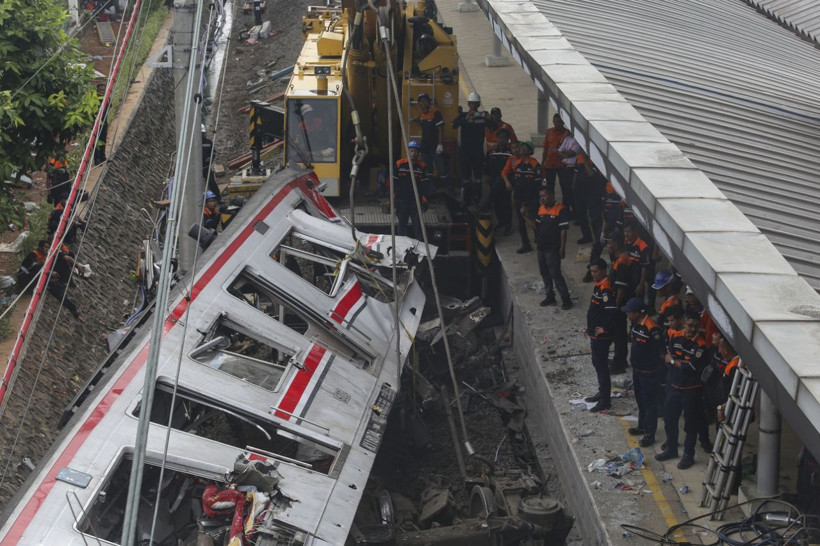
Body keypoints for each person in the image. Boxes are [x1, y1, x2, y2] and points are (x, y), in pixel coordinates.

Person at [656, 310, 708, 469]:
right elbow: (669, 356)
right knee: (670, 419)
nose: (693, 329)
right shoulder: (675, 337)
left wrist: (673, 361)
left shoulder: (701, 345)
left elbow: (691, 368)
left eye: (696, 326)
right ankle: (671, 448)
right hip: (674, 386)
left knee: (691, 424)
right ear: (683, 324)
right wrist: (676, 361)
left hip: (691, 390)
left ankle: (688, 454)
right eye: (690, 325)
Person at [521, 187, 572, 310]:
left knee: (556, 274)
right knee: (544, 273)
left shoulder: (561, 209)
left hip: (552, 248)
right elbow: (536, 226)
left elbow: (563, 230)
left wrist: (562, 247)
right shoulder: (541, 209)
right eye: (541, 196)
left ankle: (566, 300)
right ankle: (550, 297)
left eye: (544, 195)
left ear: (551, 195)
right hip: (541, 247)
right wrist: (524, 216)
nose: (542, 198)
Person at [622, 297, 664, 447]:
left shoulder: (651, 327)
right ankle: (642, 425)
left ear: (637, 312)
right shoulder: (635, 325)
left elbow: (661, 351)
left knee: (650, 403)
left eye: (629, 312)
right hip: (638, 370)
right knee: (640, 400)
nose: (627, 315)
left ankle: (649, 433)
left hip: (649, 372)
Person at [18, 240, 85, 321]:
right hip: (27, 280)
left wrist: (77, 265)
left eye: (48, 247)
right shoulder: (33, 255)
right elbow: (35, 269)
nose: (47, 249)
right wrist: (50, 273)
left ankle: (73, 307)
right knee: (54, 289)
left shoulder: (47, 255)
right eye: (45, 247)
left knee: (62, 263)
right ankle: (72, 307)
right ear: (40, 247)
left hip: (39, 278)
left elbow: (65, 257)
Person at [584, 258, 616, 413]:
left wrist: (604, 328)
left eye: (596, 271)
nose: (593, 274)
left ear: (603, 271)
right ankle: (602, 392)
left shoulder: (606, 288)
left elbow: (610, 310)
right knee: (597, 364)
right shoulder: (599, 286)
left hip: (601, 337)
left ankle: (605, 400)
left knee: (601, 366)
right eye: (591, 271)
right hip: (594, 333)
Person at [502, 140, 542, 254]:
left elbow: (536, 185)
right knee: (521, 222)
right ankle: (525, 243)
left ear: (530, 151)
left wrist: (526, 202)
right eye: (521, 147)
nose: (522, 149)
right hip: (518, 197)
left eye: (525, 148)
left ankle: (540, 240)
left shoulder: (535, 165)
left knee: (534, 220)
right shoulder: (518, 165)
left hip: (531, 198)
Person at [607, 229, 637, 374]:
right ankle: (620, 359)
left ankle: (619, 362)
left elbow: (621, 287)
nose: (608, 245)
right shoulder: (618, 258)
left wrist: (616, 305)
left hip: (620, 303)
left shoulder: (623, 261)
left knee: (619, 333)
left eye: (610, 242)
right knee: (617, 332)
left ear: (616, 244)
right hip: (619, 302)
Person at [452, 92, 488, 205]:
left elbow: (493, 126)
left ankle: (477, 197)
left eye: (476, 104)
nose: (474, 106)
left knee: (478, 177)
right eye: (472, 104)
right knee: (466, 177)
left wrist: (489, 117)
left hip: (477, 151)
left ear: (478, 104)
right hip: (465, 152)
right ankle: (466, 198)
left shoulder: (482, 116)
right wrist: (465, 119)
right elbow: (453, 125)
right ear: (468, 104)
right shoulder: (463, 116)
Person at [393, 140, 428, 239]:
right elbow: (393, 183)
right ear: (408, 152)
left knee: (418, 227)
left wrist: (424, 199)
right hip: (402, 201)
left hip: (416, 202)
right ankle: (403, 249)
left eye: (415, 151)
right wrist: (392, 198)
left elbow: (425, 185)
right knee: (401, 226)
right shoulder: (399, 164)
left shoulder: (422, 166)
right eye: (411, 151)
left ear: (418, 153)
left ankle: (420, 250)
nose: (413, 154)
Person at [411, 93, 447, 184]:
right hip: (425, 148)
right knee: (428, 171)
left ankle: (447, 189)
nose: (423, 103)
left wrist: (440, 144)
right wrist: (411, 120)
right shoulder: (422, 116)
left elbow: (440, 129)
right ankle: (431, 190)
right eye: (421, 102)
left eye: (425, 101)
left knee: (442, 170)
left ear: (429, 102)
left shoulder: (436, 114)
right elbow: (419, 119)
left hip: (435, 147)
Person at [485, 128, 513, 235]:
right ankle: (501, 222)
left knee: (506, 203)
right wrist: (486, 176)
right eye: (500, 138)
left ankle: (508, 225)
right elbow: (486, 164)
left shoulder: (510, 152)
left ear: (508, 139)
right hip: (493, 179)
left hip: (506, 181)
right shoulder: (492, 151)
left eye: (504, 138)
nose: (502, 140)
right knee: (497, 203)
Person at [573, 153, 605, 245]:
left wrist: (584, 160)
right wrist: (573, 186)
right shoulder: (578, 158)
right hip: (579, 191)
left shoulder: (595, 159)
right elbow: (576, 172)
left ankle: (598, 238)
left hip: (592, 192)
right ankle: (586, 236)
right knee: (581, 216)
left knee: (594, 216)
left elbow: (591, 174)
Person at [541, 114, 570, 193]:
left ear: (563, 122)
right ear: (553, 121)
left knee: (565, 186)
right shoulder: (549, 131)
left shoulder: (567, 133)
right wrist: (543, 162)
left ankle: (565, 204)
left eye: (560, 122)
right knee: (549, 186)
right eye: (556, 121)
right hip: (550, 163)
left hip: (562, 164)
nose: (558, 123)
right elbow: (545, 148)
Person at [555, 128, 582, 214]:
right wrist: (565, 153)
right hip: (564, 167)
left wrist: (564, 153)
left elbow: (572, 153)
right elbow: (559, 152)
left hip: (573, 169)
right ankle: (566, 212)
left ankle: (576, 213)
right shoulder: (567, 138)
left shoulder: (579, 141)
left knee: (573, 191)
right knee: (565, 191)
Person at [624, 220, 651, 301]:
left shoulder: (642, 246)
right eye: (625, 231)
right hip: (625, 278)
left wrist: (641, 284)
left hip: (636, 281)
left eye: (629, 232)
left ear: (635, 232)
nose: (626, 234)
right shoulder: (624, 242)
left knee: (637, 304)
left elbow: (644, 267)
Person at [94, 83, 109, 166]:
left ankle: (103, 157)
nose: (102, 92)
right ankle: (97, 159)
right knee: (96, 141)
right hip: (96, 124)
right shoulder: (94, 100)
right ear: (97, 91)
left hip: (104, 122)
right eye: (100, 90)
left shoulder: (106, 99)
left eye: (103, 90)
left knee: (103, 140)